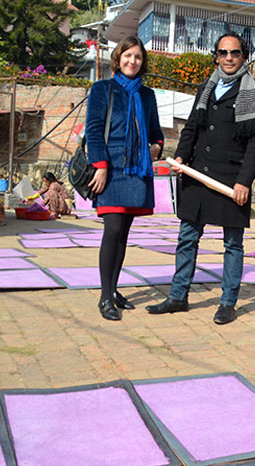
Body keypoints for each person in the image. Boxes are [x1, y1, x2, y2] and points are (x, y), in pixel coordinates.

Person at [146, 32, 255, 325]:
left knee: (233, 244)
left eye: (235, 53)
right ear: (216, 55)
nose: (229, 58)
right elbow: (192, 128)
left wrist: (245, 181)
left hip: (230, 178)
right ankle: (178, 296)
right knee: (187, 238)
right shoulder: (207, 86)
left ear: (244, 56)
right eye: (224, 52)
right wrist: (180, 157)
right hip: (197, 172)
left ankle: (227, 302)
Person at [86, 36, 164, 321]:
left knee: (124, 234)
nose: (133, 61)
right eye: (128, 55)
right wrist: (101, 165)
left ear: (142, 63)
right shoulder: (102, 89)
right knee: (113, 229)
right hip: (110, 169)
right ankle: (105, 297)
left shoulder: (147, 95)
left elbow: (156, 132)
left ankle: (114, 289)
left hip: (137, 170)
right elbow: (93, 130)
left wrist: (157, 146)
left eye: (138, 57)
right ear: (118, 58)